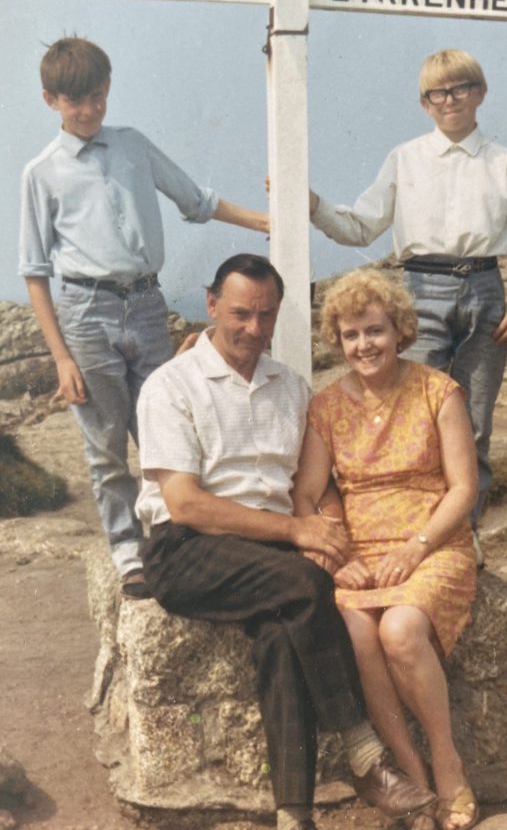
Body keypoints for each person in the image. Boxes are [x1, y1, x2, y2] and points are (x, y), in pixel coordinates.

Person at [134, 253, 435, 830]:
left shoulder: (290, 387)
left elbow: (317, 486)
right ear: (211, 304)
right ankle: (365, 754)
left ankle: (293, 813)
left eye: (266, 315)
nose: (254, 328)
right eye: (240, 314)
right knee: (304, 584)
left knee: (282, 631)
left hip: (268, 556)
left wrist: (330, 536)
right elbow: (186, 504)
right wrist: (298, 533)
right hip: (187, 549)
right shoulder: (171, 385)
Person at [18, 36, 271, 597]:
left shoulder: (133, 146)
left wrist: (266, 222)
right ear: (50, 99)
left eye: (97, 96)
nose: (88, 110)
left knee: (171, 427)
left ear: (108, 88)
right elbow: (34, 271)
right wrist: (61, 358)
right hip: (86, 313)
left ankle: (179, 538)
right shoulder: (41, 172)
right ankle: (129, 554)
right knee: (106, 442)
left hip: (147, 304)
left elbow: (196, 200)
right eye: (74, 100)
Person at [308, 49, 507, 530]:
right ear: (424, 103)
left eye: (461, 88)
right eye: (437, 93)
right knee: (411, 415)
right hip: (420, 292)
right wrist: (314, 205)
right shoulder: (405, 159)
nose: (450, 100)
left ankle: (465, 533)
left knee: (474, 420)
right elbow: (360, 227)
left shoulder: (506, 163)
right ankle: (409, 525)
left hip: (485, 292)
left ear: (480, 93)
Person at [292, 269, 480, 830]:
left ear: (400, 330)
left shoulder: (437, 391)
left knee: (399, 630)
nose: (364, 345)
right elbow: (305, 494)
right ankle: (412, 777)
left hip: (432, 544)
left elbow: (464, 489)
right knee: (354, 633)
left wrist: (416, 548)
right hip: (362, 552)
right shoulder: (327, 406)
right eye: (350, 335)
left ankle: (447, 765)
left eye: (374, 330)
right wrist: (338, 556)